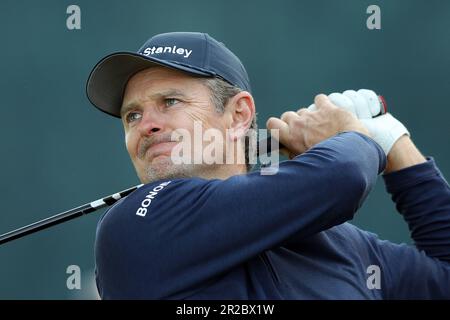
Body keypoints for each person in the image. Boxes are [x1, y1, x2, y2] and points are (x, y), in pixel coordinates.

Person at [86, 32, 450, 299]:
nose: (146, 125)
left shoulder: (343, 246)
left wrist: (395, 143)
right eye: (132, 115)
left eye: (169, 101)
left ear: (239, 115)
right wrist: (356, 135)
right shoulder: (136, 224)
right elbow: (345, 176)